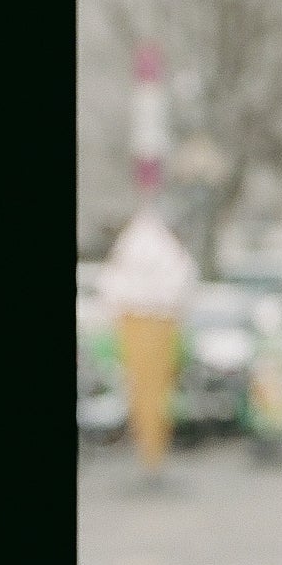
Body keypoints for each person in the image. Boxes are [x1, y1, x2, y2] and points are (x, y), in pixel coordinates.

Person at [99, 206, 198, 482]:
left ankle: (152, 458)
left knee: (150, 395)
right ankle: (151, 458)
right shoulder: (158, 255)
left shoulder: (135, 254)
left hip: (148, 317)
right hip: (154, 318)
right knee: (148, 394)